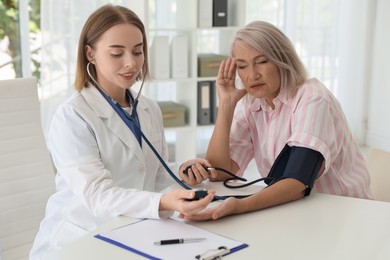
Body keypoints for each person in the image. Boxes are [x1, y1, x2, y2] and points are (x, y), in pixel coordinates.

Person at [30, 4, 214, 259]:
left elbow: (151, 172)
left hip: (131, 231)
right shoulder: (72, 115)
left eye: (137, 52)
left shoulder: (148, 108)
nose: (131, 63)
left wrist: (182, 173)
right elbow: (97, 194)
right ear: (90, 53)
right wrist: (163, 202)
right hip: (80, 240)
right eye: (117, 53)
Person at [180, 21, 372, 221]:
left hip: (345, 214)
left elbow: (297, 182)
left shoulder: (312, 98)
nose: (252, 75)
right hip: (296, 212)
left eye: (262, 61)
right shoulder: (251, 105)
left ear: (283, 59)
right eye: (242, 66)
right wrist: (226, 104)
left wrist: (240, 206)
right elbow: (221, 172)